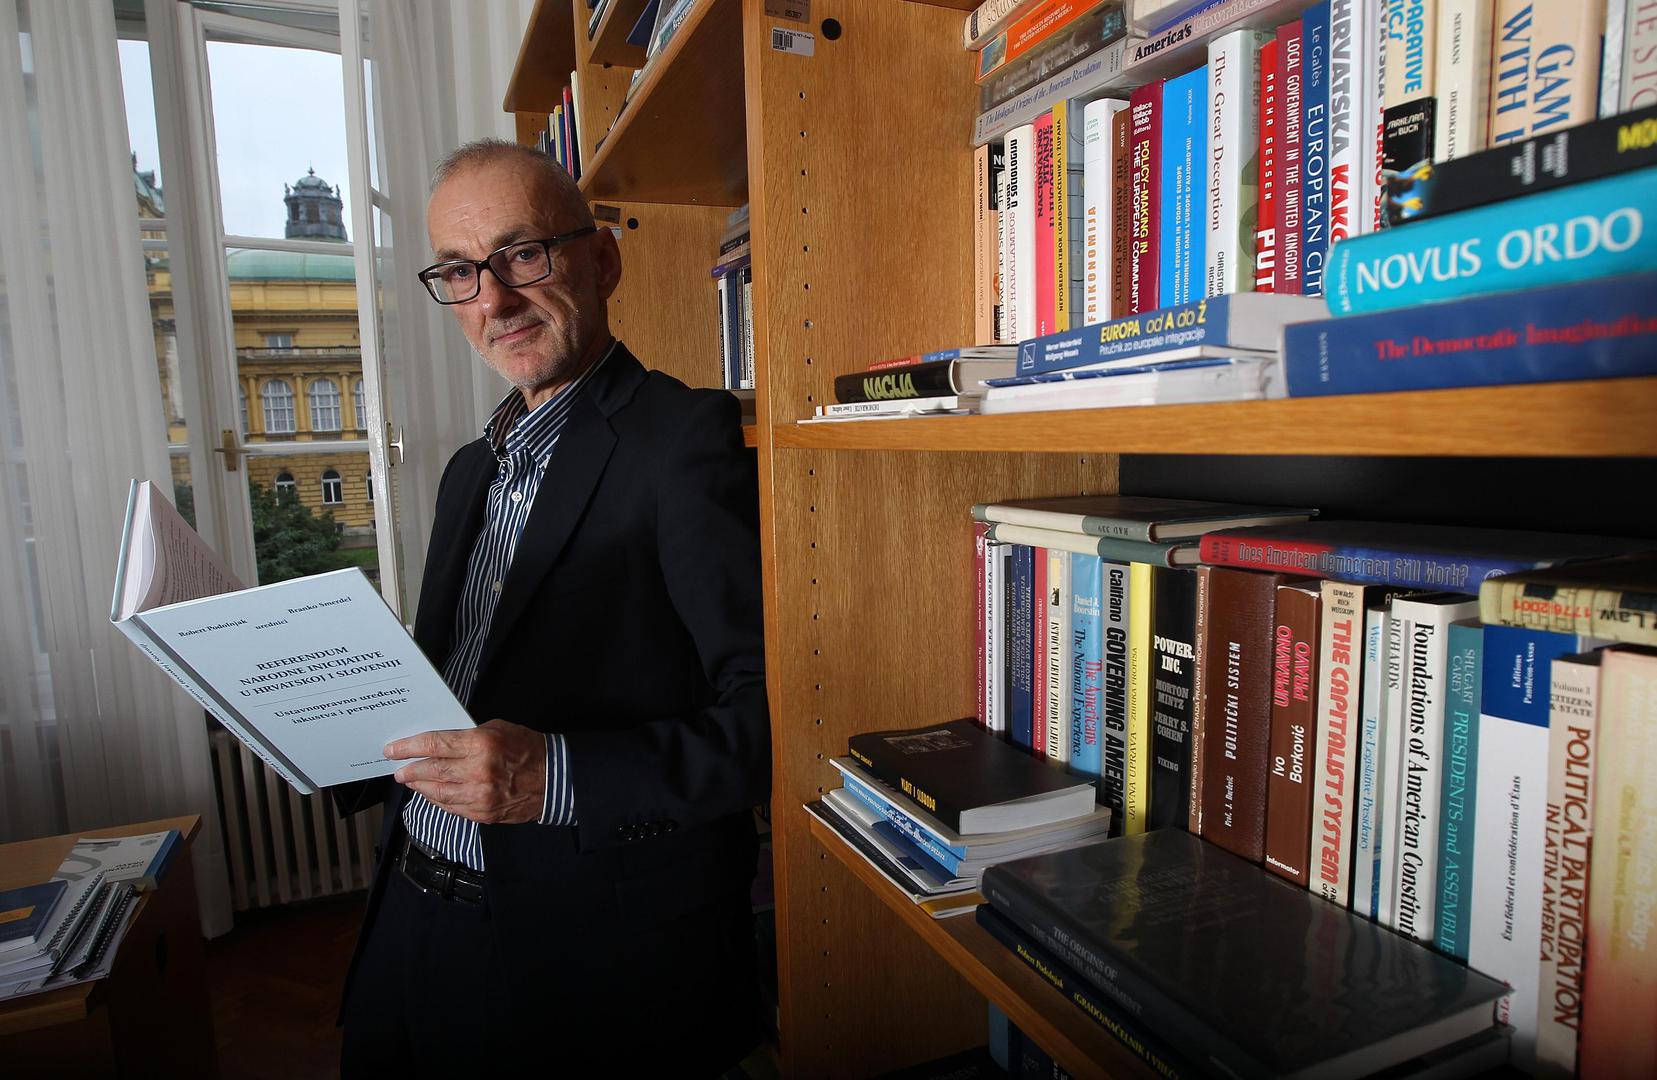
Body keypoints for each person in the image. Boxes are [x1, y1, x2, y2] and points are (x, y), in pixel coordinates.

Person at [336, 138, 769, 1076]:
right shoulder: (468, 469)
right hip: (409, 913)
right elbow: (452, 689)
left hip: (589, 956)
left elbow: (769, 718)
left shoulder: (683, 442)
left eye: (523, 253)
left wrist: (558, 777)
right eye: (460, 271)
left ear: (602, 259)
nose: (493, 300)